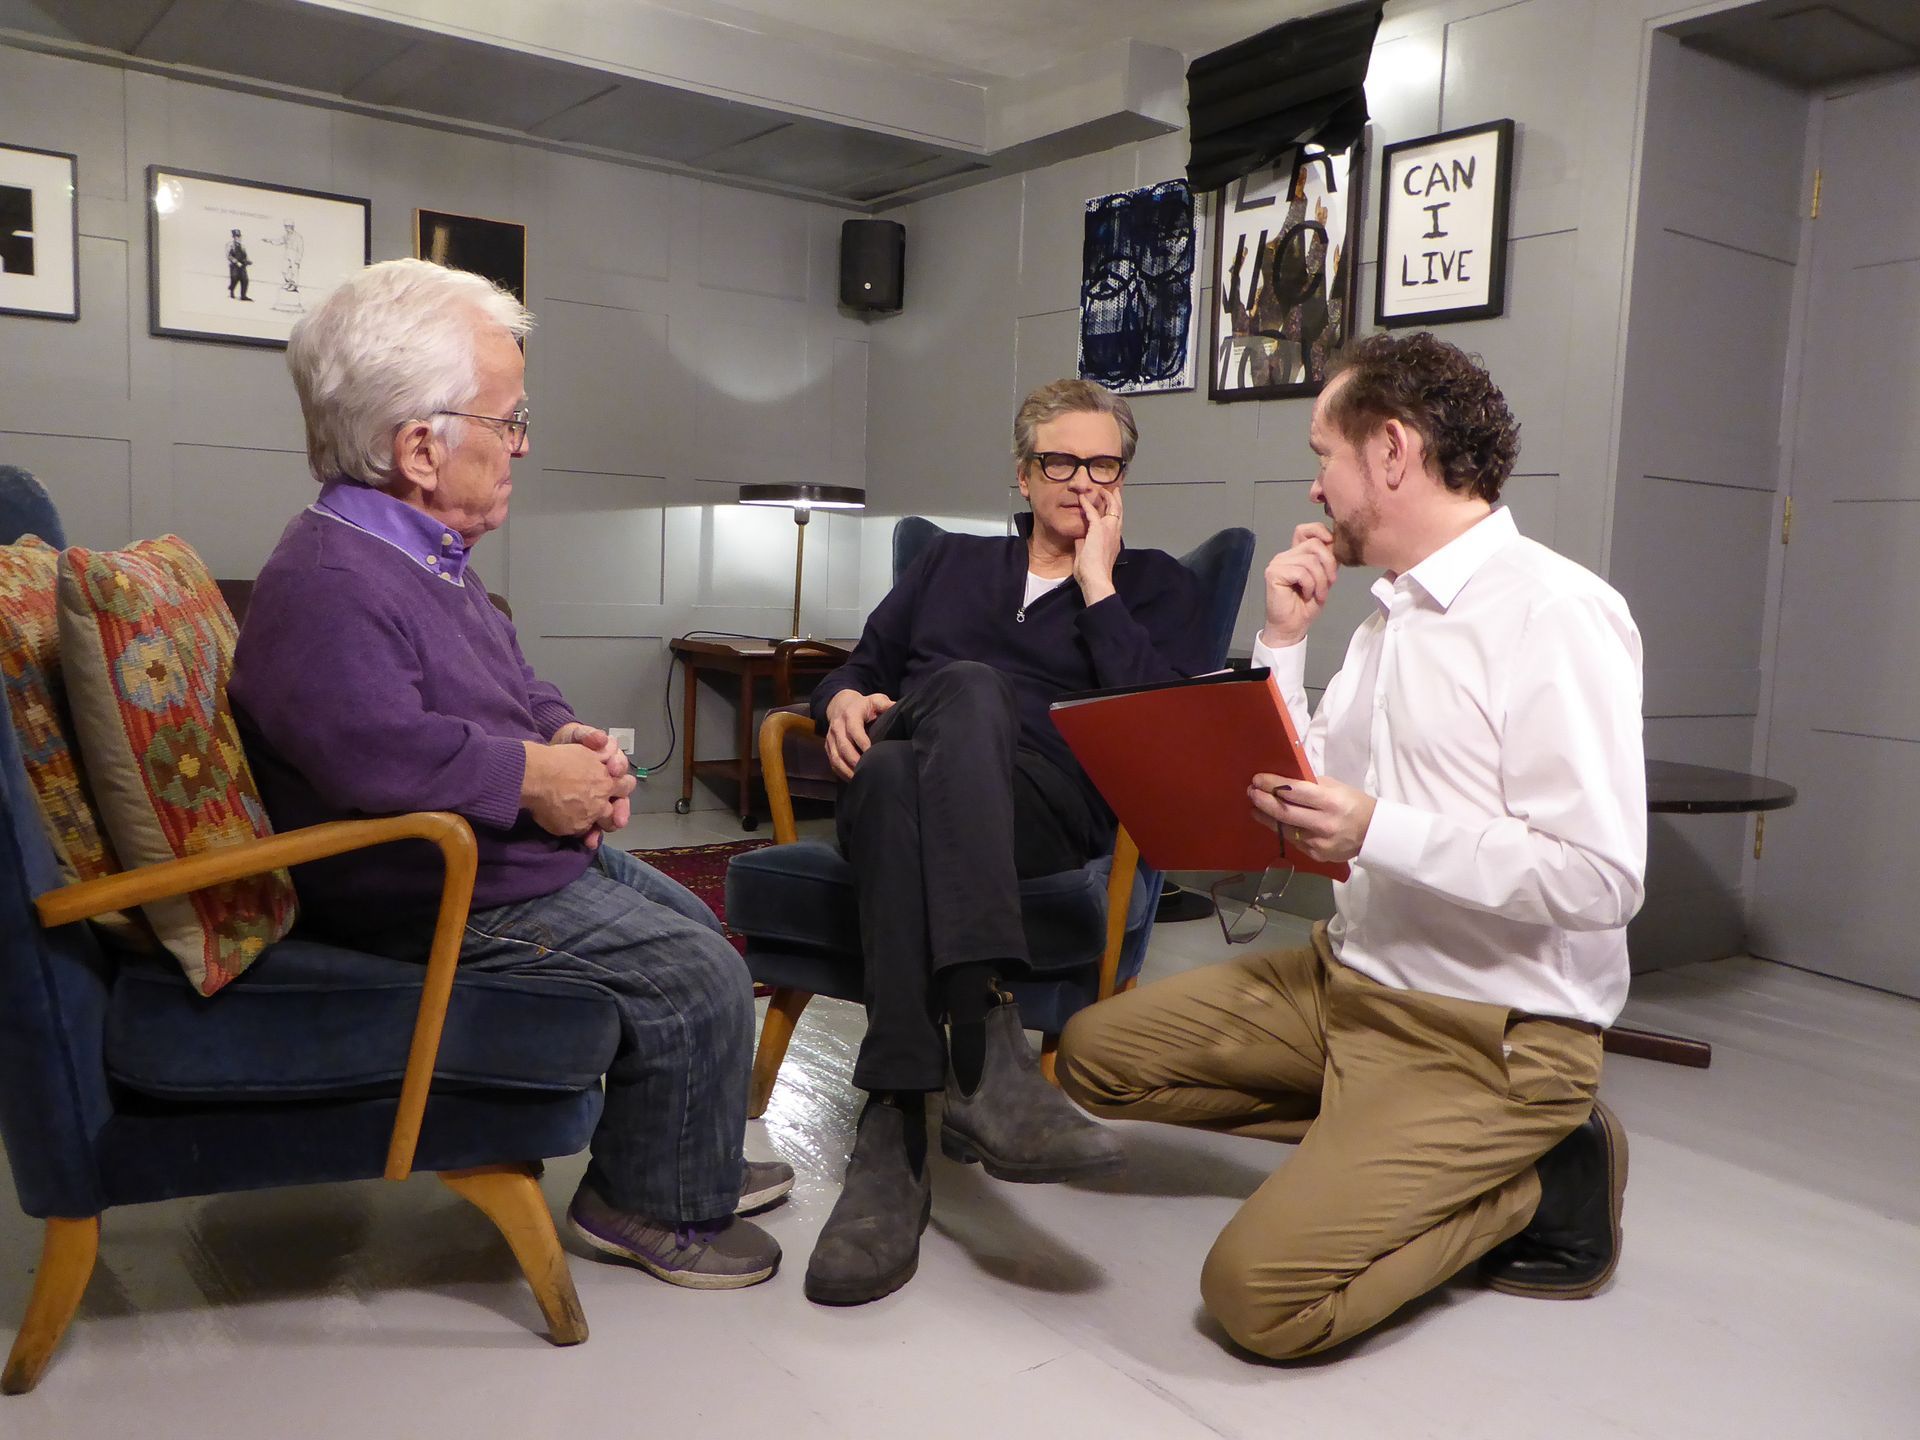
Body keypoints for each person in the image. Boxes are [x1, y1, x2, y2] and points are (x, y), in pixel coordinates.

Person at [1058, 331, 1645, 1359]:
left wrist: (1378, 828)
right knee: (1093, 1058)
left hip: (1489, 1032)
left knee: (1256, 1301)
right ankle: (1381, 1138)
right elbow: (1308, 776)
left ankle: (1531, 1177)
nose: (1316, 484)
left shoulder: (1556, 614)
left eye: (1324, 454)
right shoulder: (1388, 615)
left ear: (1392, 451)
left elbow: (1600, 878)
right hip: (1344, 983)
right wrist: (1282, 642)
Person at [229, 258, 789, 1290]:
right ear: (419, 449)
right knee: (699, 974)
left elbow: (510, 679)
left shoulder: (419, 554)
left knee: (693, 925)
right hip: (424, 890)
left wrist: (564, 735)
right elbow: (375, 753)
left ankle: (677, 1149)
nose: (523, 444)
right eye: (510, 420)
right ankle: (646, 1203)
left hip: (487, 860)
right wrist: (534, 780)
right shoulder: (329, 579)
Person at [801, 378, 1213, 1306]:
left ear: (1123, 477)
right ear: (1023, 475)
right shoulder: (948, 563)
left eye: (1104, 465)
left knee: (912, 761)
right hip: (911, 759)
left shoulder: (1156, 587)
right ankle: (983, 1045)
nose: (1083, 482)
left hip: (1042, 808)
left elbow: (1163, 731)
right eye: (1061, 463)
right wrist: (841, 700)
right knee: (942, 713)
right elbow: (860, 666)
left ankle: (894, 1121)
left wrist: (1099, 587)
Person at [226, 229, 251, 301]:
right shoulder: (230, 245)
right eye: (236, 236)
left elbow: (245, 255)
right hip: (234, 266)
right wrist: (236, 262)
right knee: (234, 279)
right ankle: (231, 290)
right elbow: (229, 256)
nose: (238, 238)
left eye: (239, 236)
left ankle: (243, 296)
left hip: (242, 266)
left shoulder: (242, 246)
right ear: (233, 237)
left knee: (245, 280)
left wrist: (248, 261)